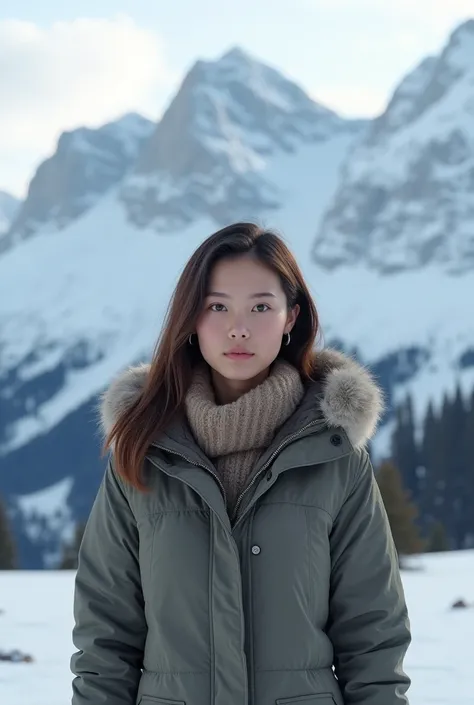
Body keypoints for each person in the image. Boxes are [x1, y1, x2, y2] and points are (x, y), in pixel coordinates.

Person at [71, 222, 411, 705]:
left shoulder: (335, 456)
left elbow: (373, 633)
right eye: (217, 306)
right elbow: (104, 635)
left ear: (291, 317)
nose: (239, 327)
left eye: (260, 307)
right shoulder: (143, 451)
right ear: (191, 317)